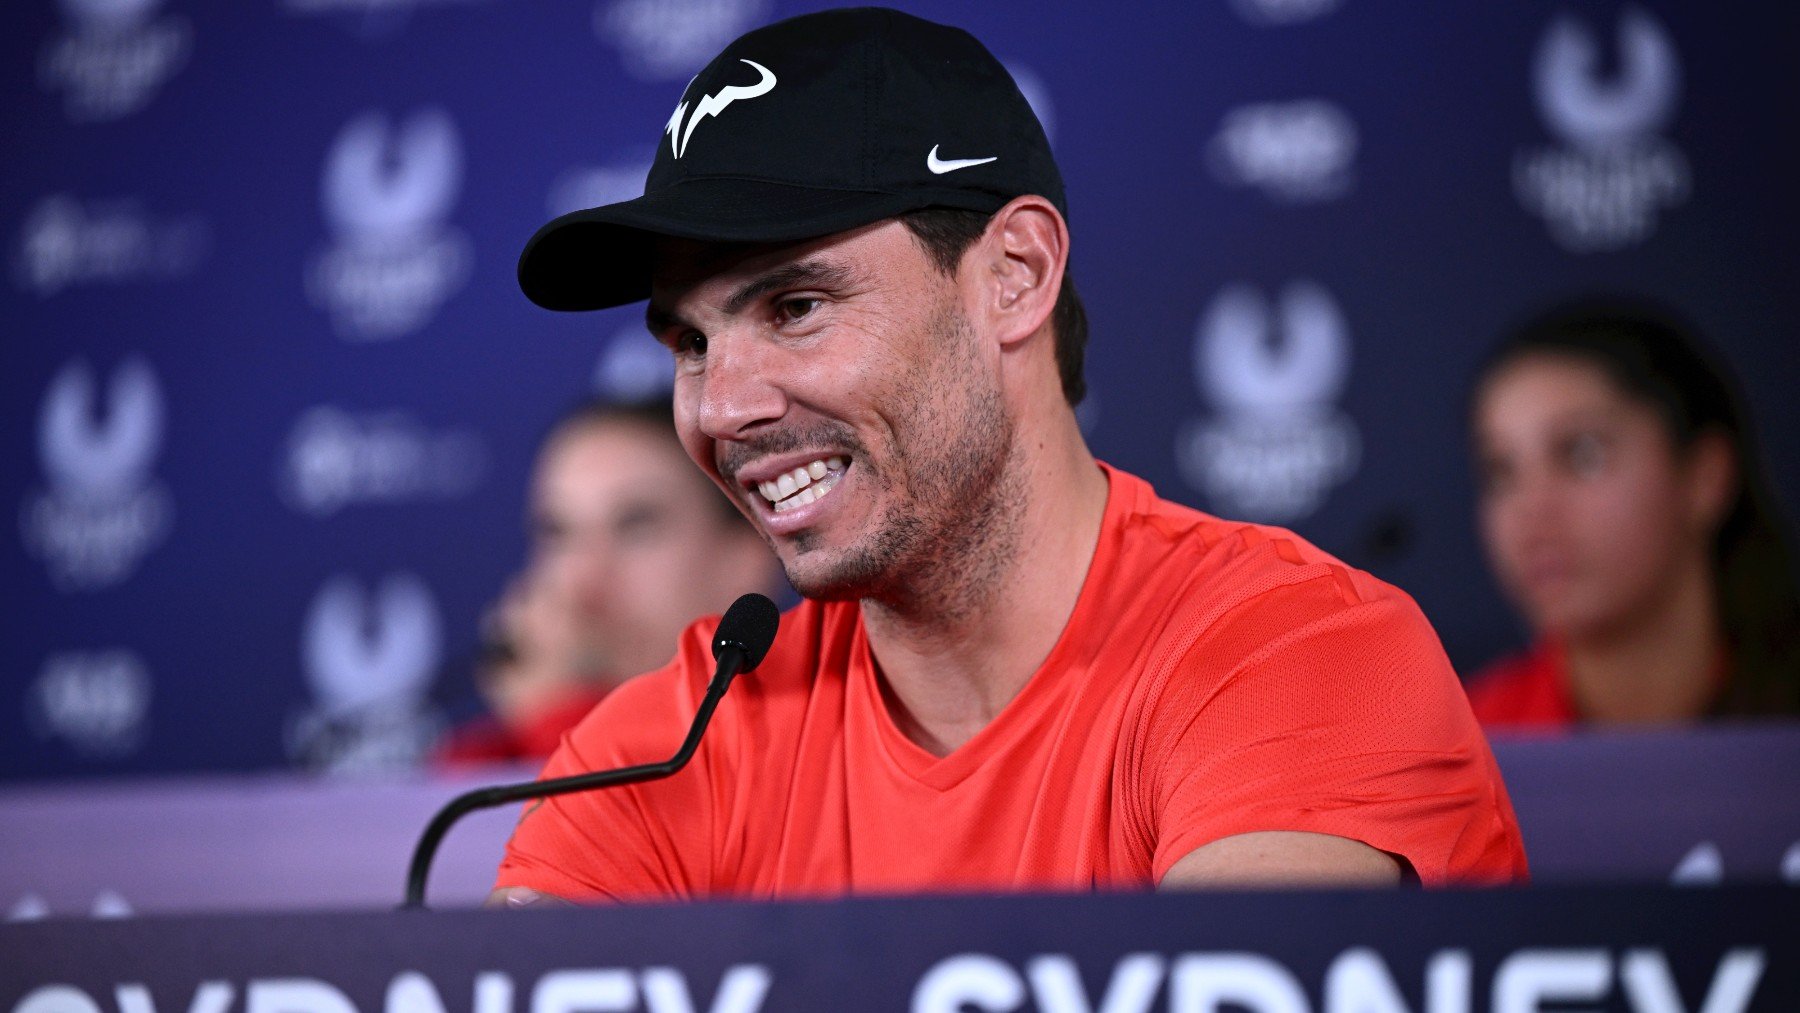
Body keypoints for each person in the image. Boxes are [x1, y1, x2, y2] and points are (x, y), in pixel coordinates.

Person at [492, 7, 1525, 904]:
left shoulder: (1295, 656)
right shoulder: (663, 747)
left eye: (796, 306)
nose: (723, 406)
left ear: (1015, 277)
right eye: (691, 343)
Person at [1466, 300, 1800, 730]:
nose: (1531, 511)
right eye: (1501, 472)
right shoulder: (1463, 745)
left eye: (1582, 454)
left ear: (1705, 477)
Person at [436, 398, 781, 764]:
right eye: (558, 533)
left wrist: (563, 714)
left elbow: (649, 816)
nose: (585, 583)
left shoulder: (805, 746)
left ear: (749, 557)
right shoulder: (477, 763)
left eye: (636, 527)